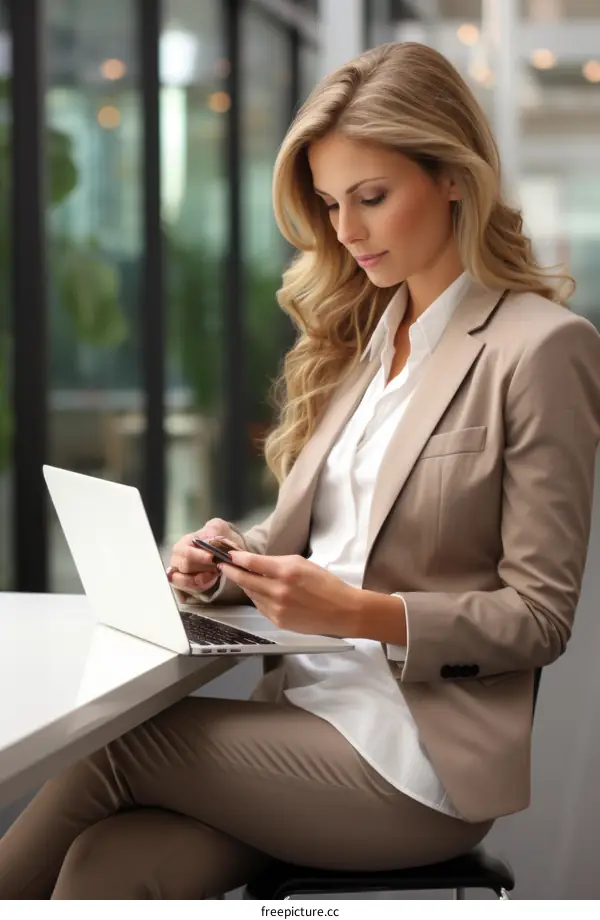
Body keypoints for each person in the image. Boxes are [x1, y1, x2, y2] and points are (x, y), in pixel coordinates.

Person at [2, 40, 600, 901]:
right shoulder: (363, 343)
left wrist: (363, 614)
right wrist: (226, 563)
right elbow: (326, 545)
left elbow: (539, 617)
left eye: (372, 198)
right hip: (293, 728)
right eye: (329, 204)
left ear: (455, 177)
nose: (346, 232)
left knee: (118, 743)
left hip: (410, 759)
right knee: (108, 867)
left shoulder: (540, 349)